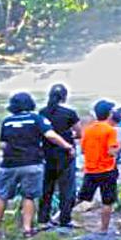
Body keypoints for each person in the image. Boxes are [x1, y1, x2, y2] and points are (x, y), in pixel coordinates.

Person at [0, 92, 73, 240]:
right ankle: (27, 229)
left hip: (9, 164)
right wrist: (67, 146)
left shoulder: (7, 121)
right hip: (31, 163)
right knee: (29, 196)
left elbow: (3, 145)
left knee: (1, 196)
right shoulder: (36, 118)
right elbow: (50, 135)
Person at [38, 83, 80, 228]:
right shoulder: (70, 113)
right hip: (65, 153)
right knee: (67, 187)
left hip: (47, 153)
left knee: (47, 187)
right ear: (64, 97)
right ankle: (65, 219)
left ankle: (43, 219)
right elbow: (79, 132)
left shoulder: (42, 112)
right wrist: (71, 137)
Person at [77, 100, 121, 234]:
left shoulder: (88, 130)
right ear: (109, 114)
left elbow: (83, 150)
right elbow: (111, 151)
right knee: (107, 201)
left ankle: (60, 216)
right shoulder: (110, 130)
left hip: (91, 169)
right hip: (107, 170)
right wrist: (119, 147)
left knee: (81, 197)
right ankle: (103, 229)